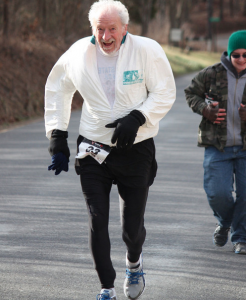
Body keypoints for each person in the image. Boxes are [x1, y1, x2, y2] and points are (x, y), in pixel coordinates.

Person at [45, 0, 176, 298]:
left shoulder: (146, 50)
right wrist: (57, 134)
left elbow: (165, 90)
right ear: (92, 28)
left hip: (136, 148)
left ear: (125, 28)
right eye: (99, 29)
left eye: (112, 29)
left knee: (131, 228)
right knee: (96, 218)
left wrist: (138, 117)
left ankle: (134, 262)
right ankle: (107, 286)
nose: (105, 37)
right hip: (92, 146)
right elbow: (57, 88)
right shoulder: (79, 53)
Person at [184, 30, 246, 255]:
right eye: (236, 55)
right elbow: (191, 93)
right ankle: (225, 221)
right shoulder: (211, 74)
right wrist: (205, 110)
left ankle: (241, 238)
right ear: (229, 53)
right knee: (216, 193)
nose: (241, 59)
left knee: (245, 195)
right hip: (217, 146)